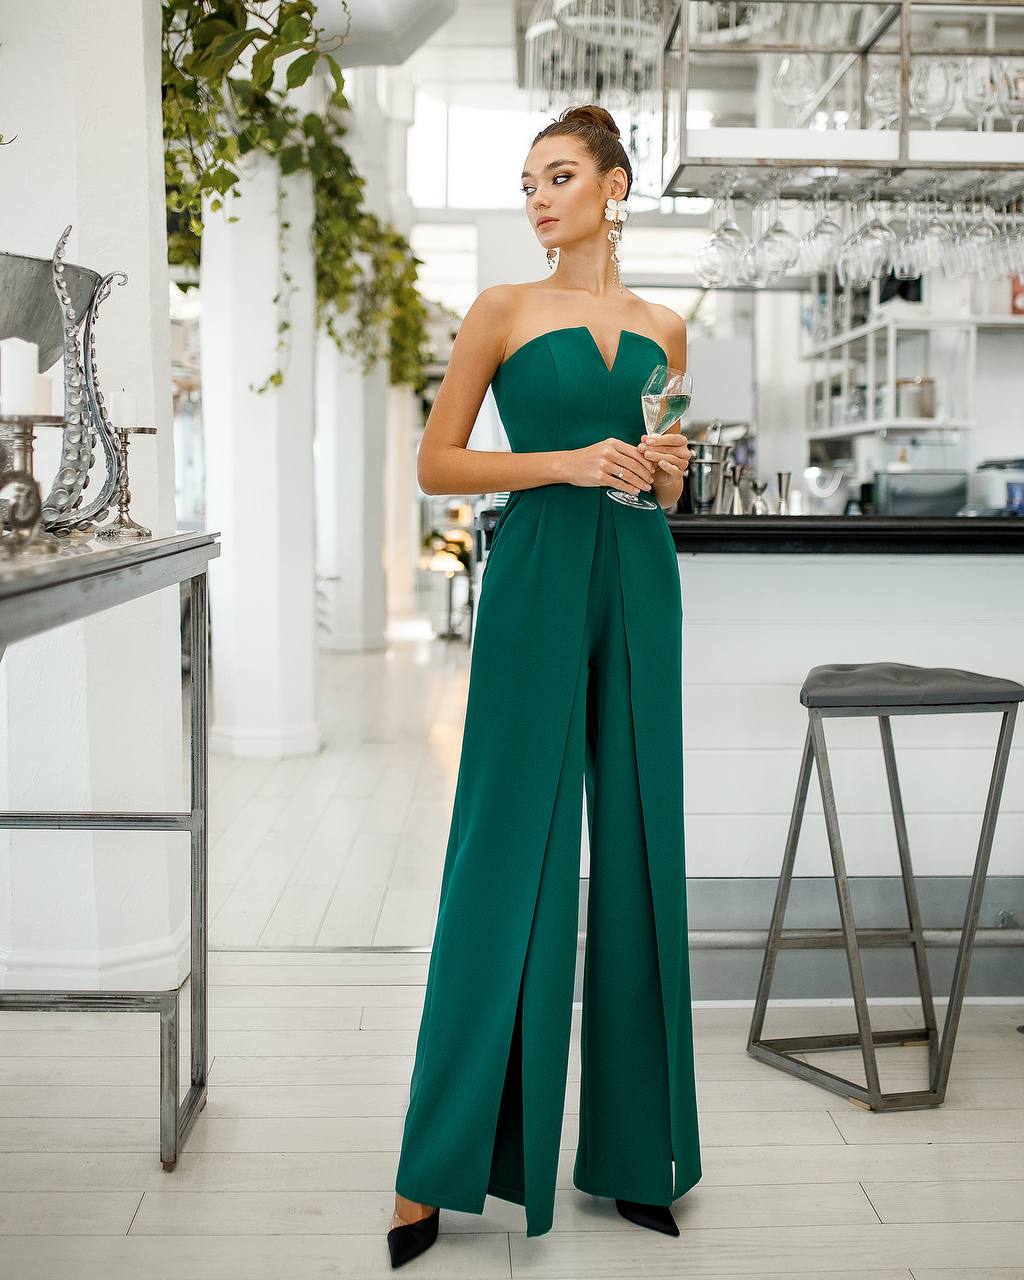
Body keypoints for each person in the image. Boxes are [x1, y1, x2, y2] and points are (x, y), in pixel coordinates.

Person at [386, 103, 701, 1270]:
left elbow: (661, 488)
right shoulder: (500, 311)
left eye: (560, 176)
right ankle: (437, 1166)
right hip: (533, 573)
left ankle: (639, 1155)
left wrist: (659, 471)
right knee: (502, 849)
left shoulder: (667, 326)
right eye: (528, 181)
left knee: (636, 846)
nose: (538, 197)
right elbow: (437, 462)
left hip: (638, 574)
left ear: (616, 186)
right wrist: (565, 461)